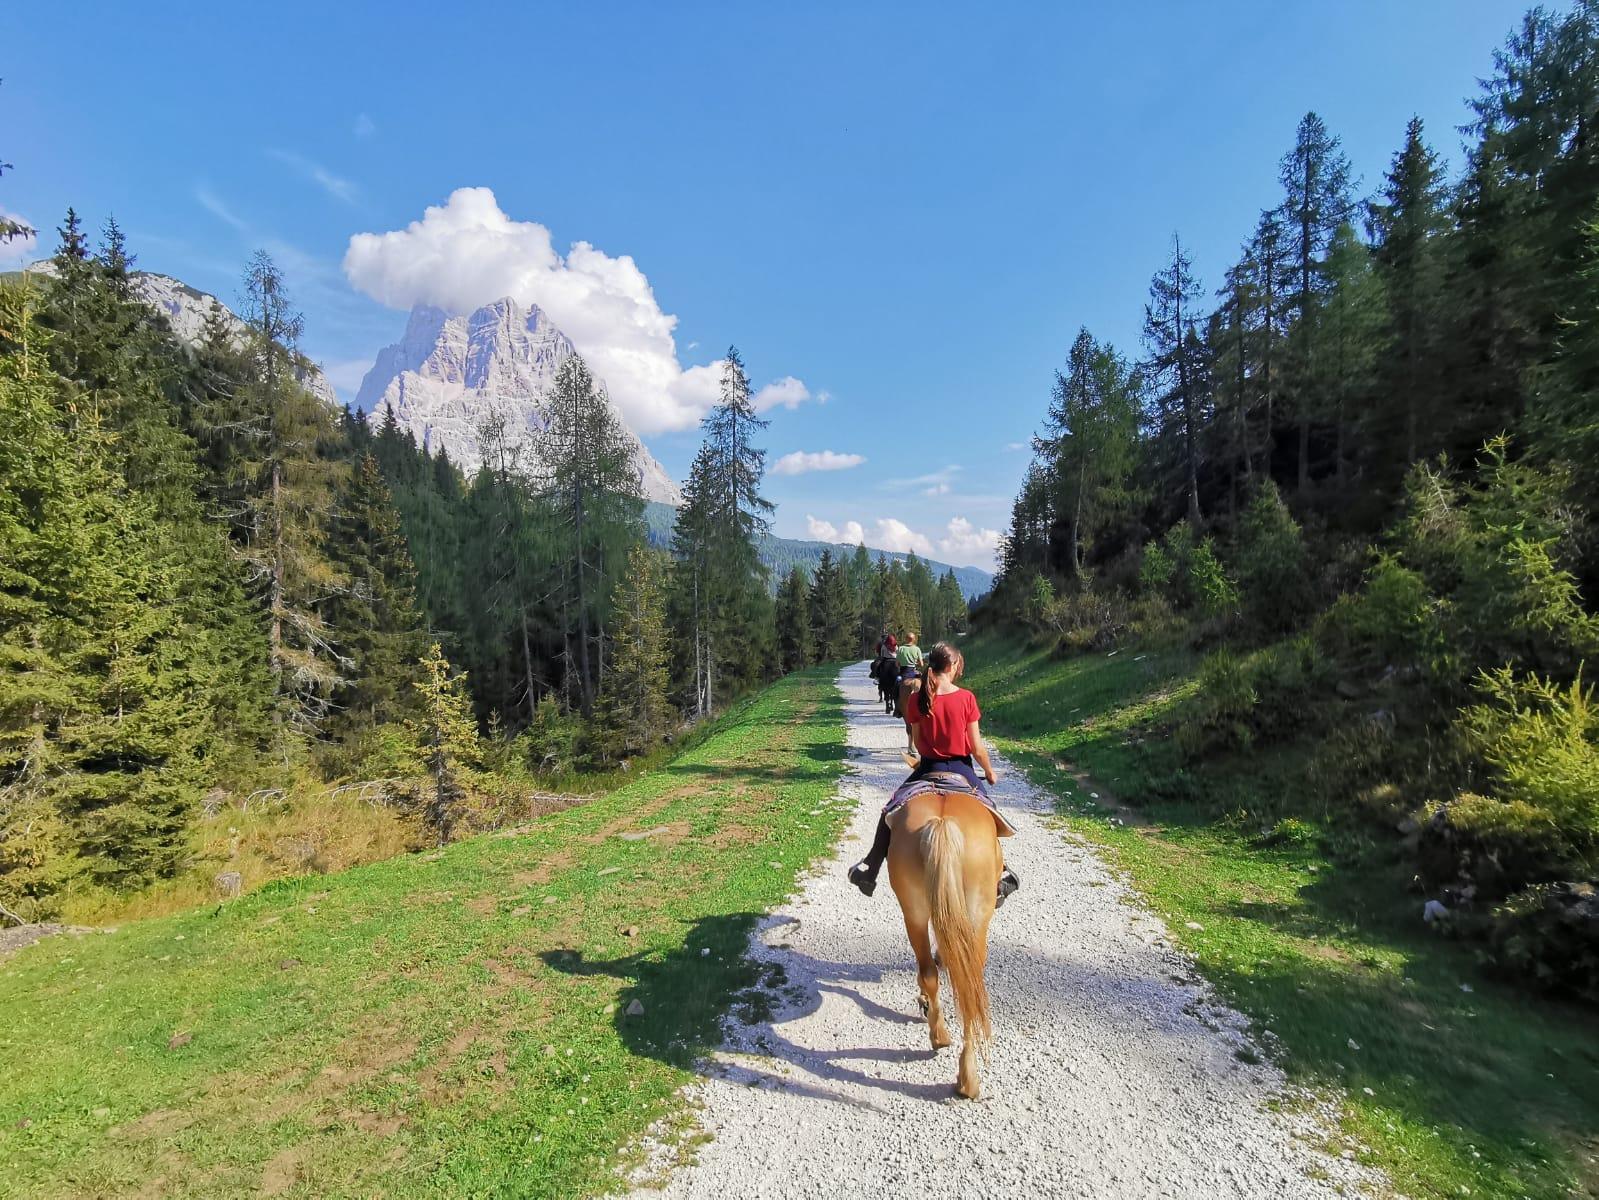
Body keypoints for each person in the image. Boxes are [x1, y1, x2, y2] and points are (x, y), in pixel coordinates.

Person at [848, 641, 1022, 903]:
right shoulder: (966, 698)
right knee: (987, 808)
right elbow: (976, 747)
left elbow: (917, 743)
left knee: (890, 809)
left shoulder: (918, 699)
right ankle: (1000, 872)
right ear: (952, 666)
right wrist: (989, 771)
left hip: (928, 767)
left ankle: (870, 868)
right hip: (962, 769)